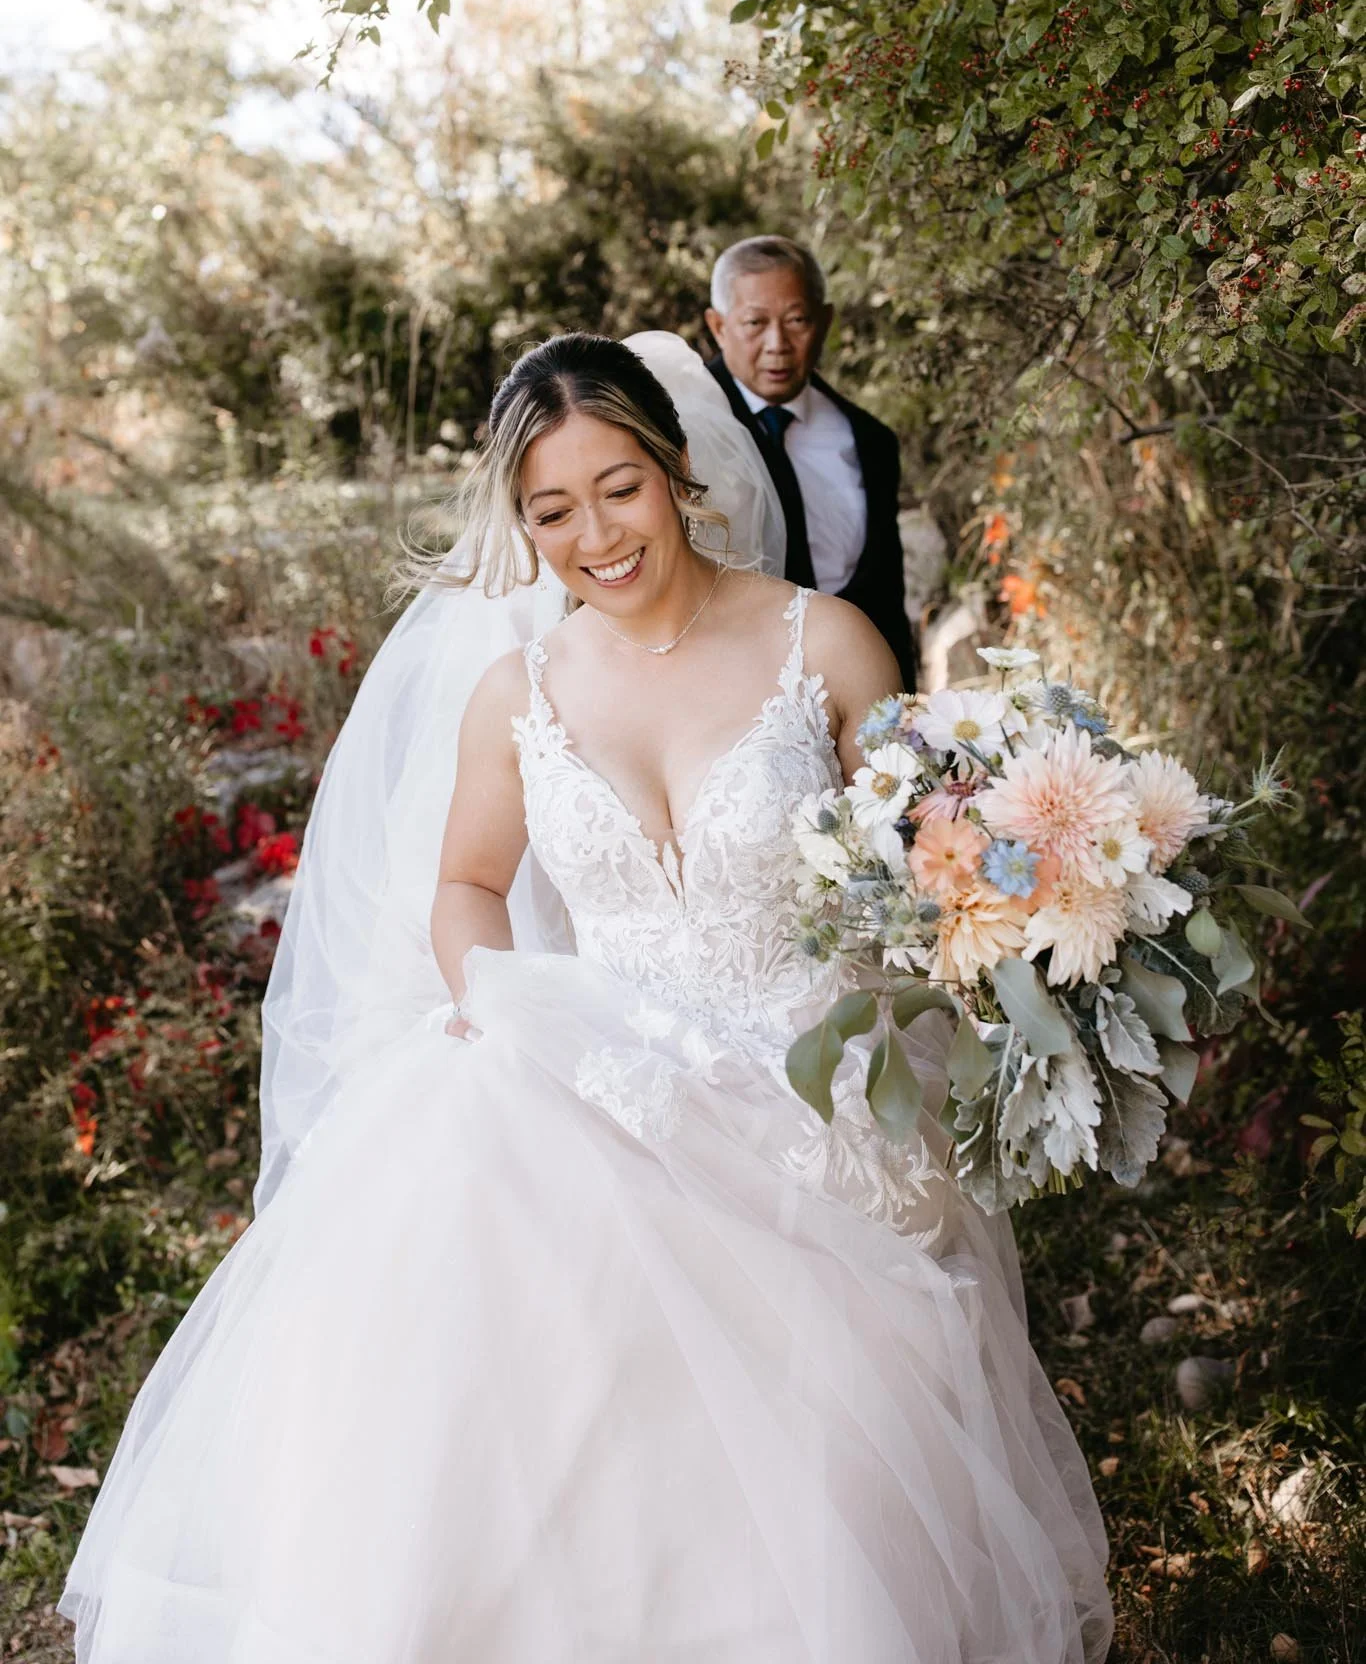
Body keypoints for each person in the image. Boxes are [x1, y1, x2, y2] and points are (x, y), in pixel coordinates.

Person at [60, 333, 1111, 1664]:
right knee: (536, 1437)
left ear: (674, 470)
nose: (594, 535)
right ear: (520, 524)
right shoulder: (519, 692)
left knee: (822, 1477)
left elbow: (930, 857)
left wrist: (1042, 889)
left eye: (616, 487)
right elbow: (465, 885)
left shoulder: (824, 642)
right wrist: (491, 999)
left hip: (810, 1105)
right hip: (598, 1081)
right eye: (551, 509)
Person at [706, 234, 919, 689]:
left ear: (824, 322)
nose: (777, 343)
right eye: (755, 323)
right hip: (730, 689)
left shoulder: (870, 440)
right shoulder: (680, 424)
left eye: (797, 320)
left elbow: (886, 595)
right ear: (719, 326)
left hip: (853, 685)